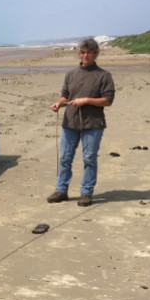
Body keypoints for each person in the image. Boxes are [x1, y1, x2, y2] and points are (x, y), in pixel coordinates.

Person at [47, 39, 115, 206]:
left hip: (93, 125)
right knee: (65, 158)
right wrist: (59, 103)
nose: (85, 55)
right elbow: (65, 95)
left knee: (89, 159)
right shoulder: (71, 74)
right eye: (83, 52)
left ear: (95, 54)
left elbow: (108, 100)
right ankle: (61, 190)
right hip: (70, 123)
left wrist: (86, 100)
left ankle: (86, 193)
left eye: (89, 52)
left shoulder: (104, 75)